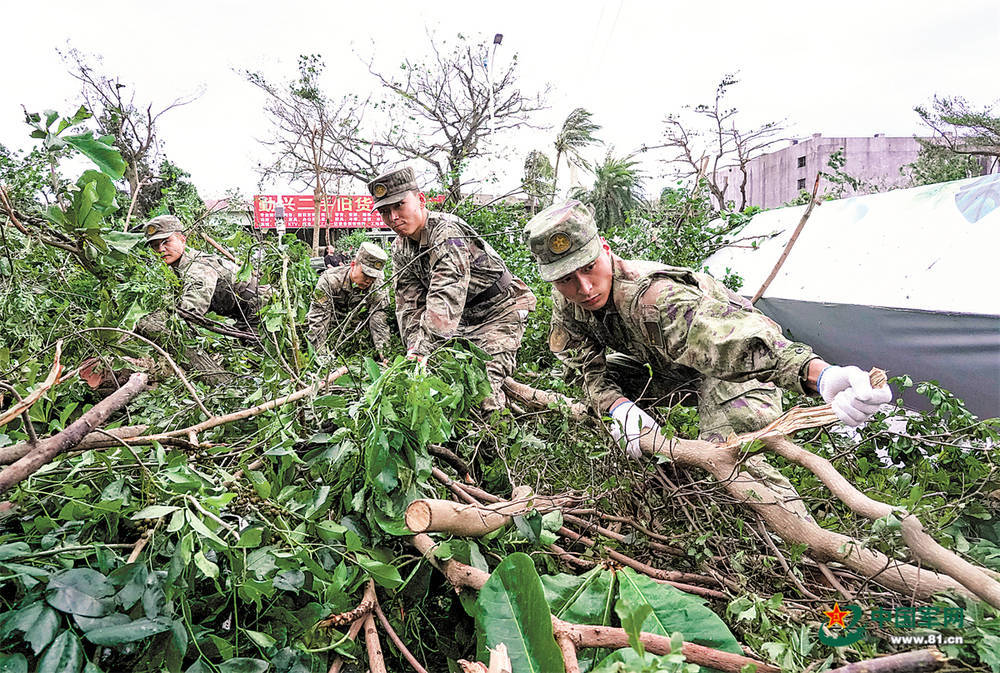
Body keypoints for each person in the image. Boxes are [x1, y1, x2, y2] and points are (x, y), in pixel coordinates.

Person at [523, 199, 892, 458]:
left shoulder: (654, 297)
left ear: (604, 249)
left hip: (732, 371)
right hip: (675, 369)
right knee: (600, 408)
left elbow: (731, 340)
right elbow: (584, 366)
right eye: (567, 279)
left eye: (589, 268)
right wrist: (619, 408)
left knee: (727, 460)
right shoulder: (567, 301)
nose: (583, 288)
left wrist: (821, 376)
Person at [368, 166, 536, 411]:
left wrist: (425, 349)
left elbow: (446, 293)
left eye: (399, 206)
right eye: (385, 211)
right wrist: (415, 350)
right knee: (444, 384)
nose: (393, 217)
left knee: (480, 393)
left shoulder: (446, 233)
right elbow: (409, 305)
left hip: (500, 311)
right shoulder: (400, 249)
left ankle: (498, 430)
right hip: (460, 320)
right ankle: (511, 396)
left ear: (421, 200)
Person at [144, 215, 269, 328]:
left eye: (166, 242)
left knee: (255, 348)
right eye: (155, 245)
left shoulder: (197, 266)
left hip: (260, 306)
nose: (160, 249)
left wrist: (161, 323)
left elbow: (192, 308)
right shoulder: (176, 267)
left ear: (182, 239)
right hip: (241, 310)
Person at [306, 242, 392, 362]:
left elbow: (378, 321)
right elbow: (318, 319)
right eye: (365, 274)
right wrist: (321, 357)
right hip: (332, 333)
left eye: (373, 277)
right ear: (353, 265)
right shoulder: (330, 280)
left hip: (361, 336)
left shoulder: (378, 287)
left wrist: (384, 353)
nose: (368, 280)